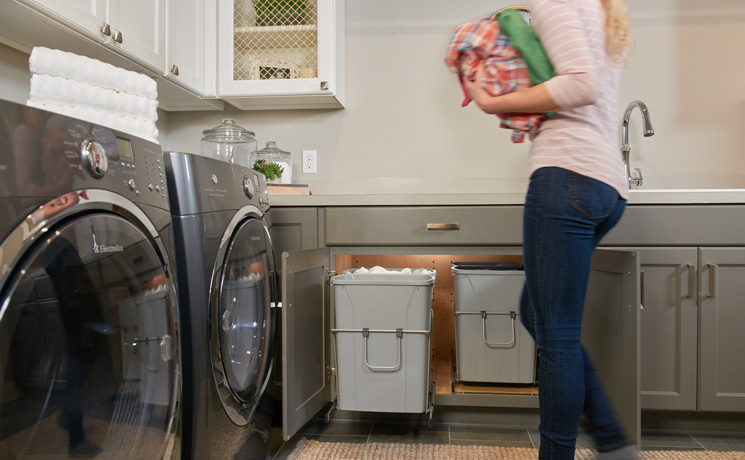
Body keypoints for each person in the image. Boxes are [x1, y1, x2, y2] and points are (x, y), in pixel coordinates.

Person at [464, 1, 636, 459]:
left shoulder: (557, 1)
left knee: (556, 334)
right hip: (605, 186)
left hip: (566, 176)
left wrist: (492, 102)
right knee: (535, 313)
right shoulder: (598, 10)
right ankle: (612, 439)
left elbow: (580, 85)